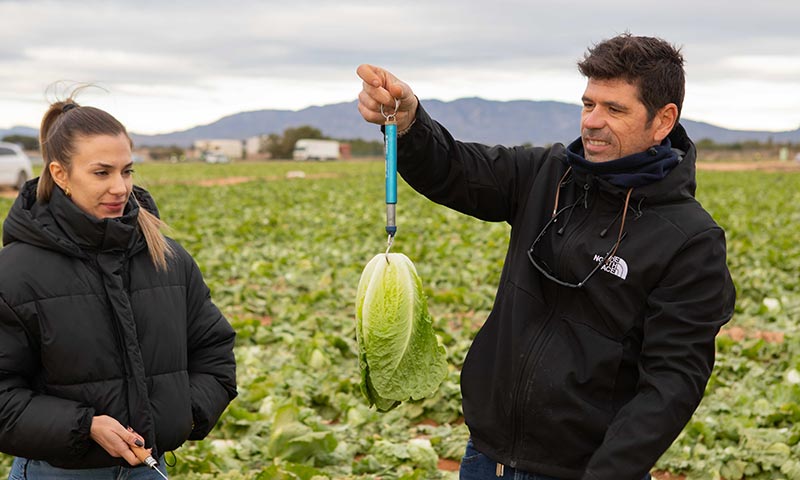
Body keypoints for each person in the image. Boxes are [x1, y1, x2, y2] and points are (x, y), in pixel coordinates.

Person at [357, 33, 735, 480]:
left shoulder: (690, 239)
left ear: (663, 120)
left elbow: (672, 383)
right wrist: (408, 124)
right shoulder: (547, 175)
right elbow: (455, 170)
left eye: (614, 109)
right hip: (486, 458)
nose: (593, 121)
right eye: (589, 103)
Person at [0, 96, 238, 478]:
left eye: (127, 171)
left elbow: (214, 351)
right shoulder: (15, 274)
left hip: (149, 468)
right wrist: (84, 426)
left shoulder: (168, 259)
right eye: (101, 173)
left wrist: (182, 413)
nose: (120, 187)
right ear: (60, 174)